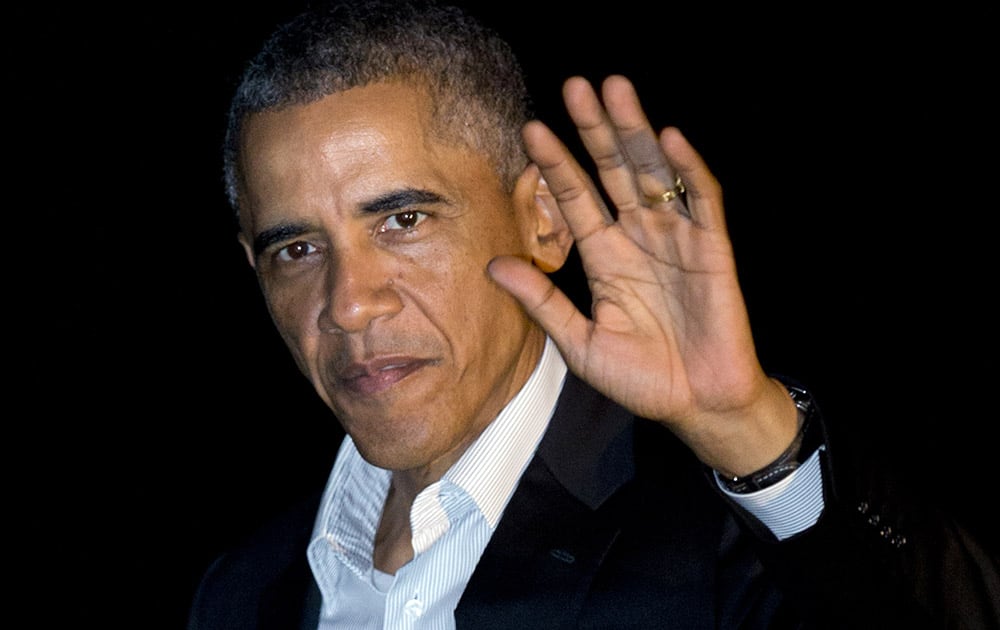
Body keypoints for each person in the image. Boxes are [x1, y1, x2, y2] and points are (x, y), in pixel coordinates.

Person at [187, 1, 999, 628]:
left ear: (542, 218)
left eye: (404, 220)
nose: (349, 301)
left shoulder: (719, 546)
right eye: (296, 249)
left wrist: (751, 429)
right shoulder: (241, 591)